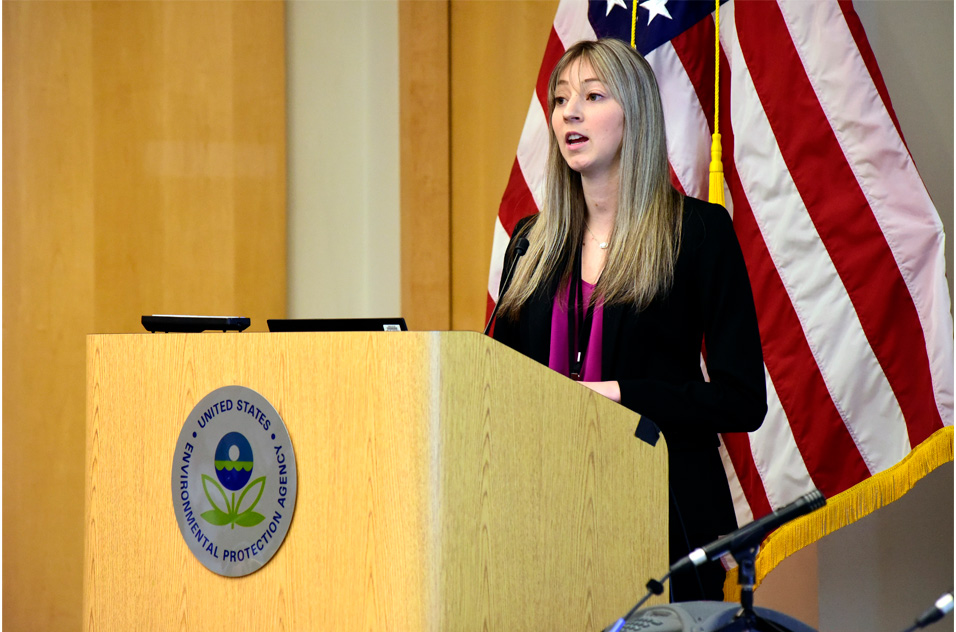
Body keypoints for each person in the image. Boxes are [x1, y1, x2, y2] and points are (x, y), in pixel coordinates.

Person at [490, 38, 767, 602]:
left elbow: (743, 400)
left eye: (592, 96)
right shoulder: (529, 243)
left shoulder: (698, 234)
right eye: (561, 98)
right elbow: (498, 379)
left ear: (634, 113)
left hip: (664, 515)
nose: (569, 111)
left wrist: (622, 394)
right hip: (547, 519)